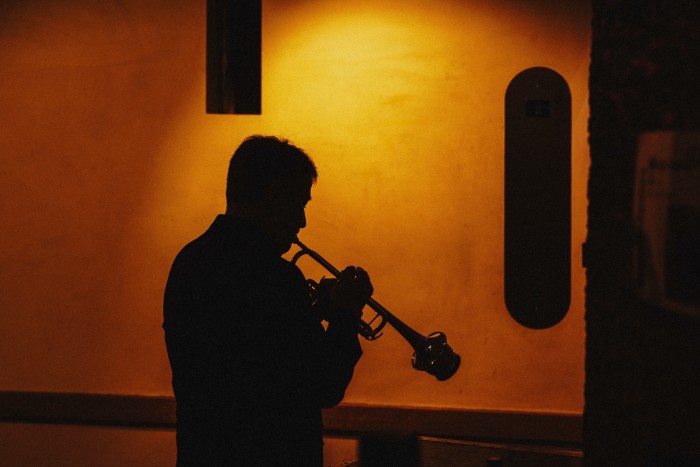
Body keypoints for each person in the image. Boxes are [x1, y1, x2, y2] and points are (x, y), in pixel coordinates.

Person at [163, 135, 373, 466]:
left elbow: (246, 352)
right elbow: (324, 384)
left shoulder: (189, 261)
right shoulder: (275, 277)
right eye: (300, 204)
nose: (302, 222)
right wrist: (345, 315)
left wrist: (316, 310)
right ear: (275, 195)